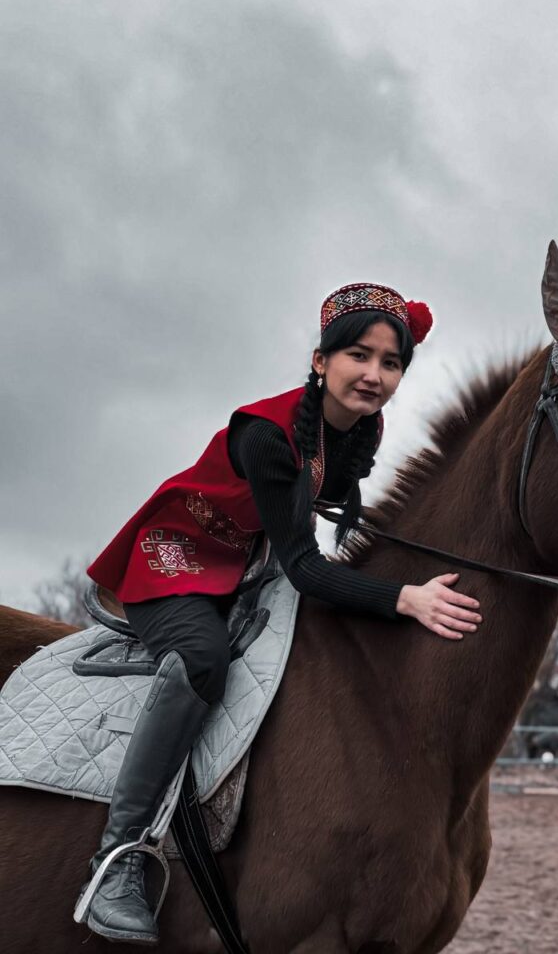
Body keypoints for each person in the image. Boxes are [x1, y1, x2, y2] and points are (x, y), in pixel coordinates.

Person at [80, 282, 483, 945]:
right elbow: (304, 565)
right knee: (201, 660)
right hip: (177, 558)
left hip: (247, 562)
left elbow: (319, 520)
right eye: (359, 356)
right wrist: (403, 597)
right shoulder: (267, 434)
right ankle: (117, 860)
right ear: (321, 361)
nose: (375, 375)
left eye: (391, 363)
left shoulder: (364, 427)